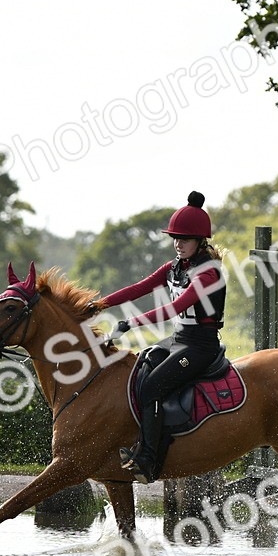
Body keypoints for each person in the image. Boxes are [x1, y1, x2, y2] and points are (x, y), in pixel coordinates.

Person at [94, 191, 226, 483]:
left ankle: (150, 459)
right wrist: (98, 304)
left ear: (200, 241)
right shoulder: (174, 268)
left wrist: (131, 322)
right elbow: (137, 289)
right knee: (141, 368)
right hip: (179, 340)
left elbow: (175, 307)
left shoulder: (208, 273)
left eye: (185, 239)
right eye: (175, 239)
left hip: (201, 346)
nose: (178, 244)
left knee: (152, 388)